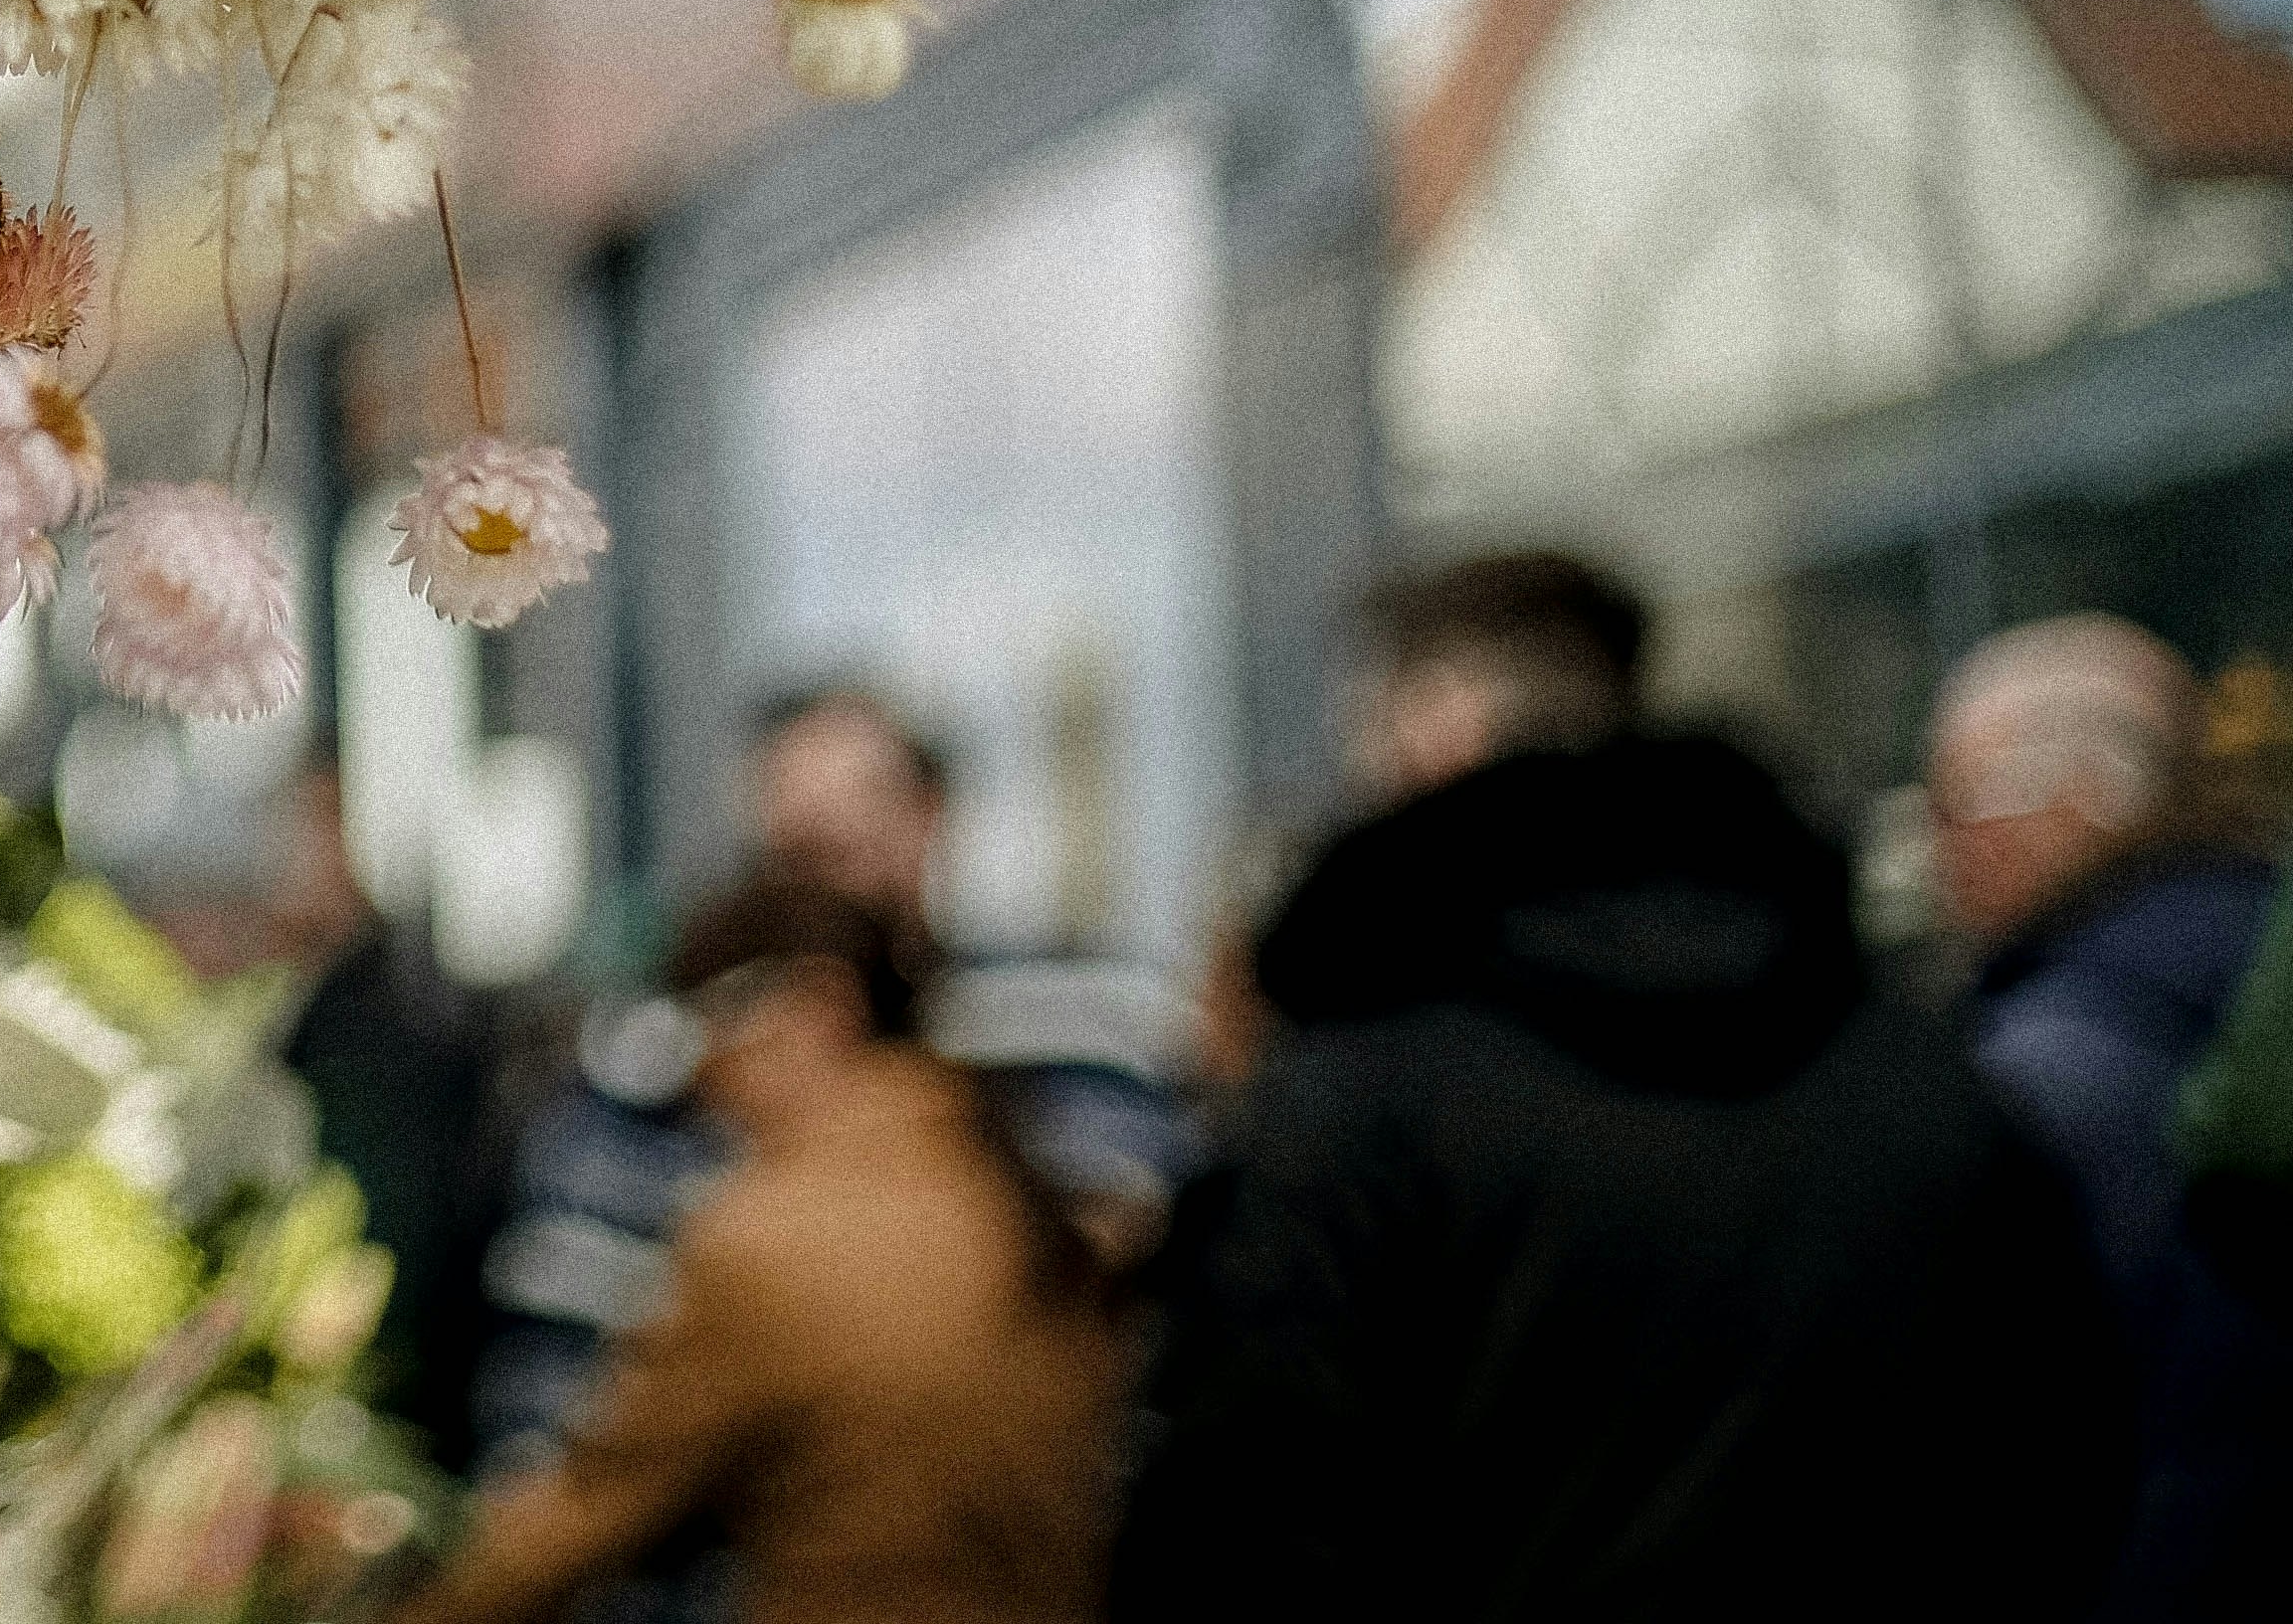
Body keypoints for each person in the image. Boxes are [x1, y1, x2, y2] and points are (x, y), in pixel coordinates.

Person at [1112, 552, 2138, 1621]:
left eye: (1367, 729)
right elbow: (2065, 1473)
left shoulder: (1350, 1108)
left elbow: (1234, 1534)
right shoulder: (1916, 1075)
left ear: (1438, 731)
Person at [472, 689, 1189, 1524]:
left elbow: (1148, 1307)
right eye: (795, 861)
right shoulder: (663, 1065)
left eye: (847, 852)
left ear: (930, 821)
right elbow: (556, 1376)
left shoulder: (1086, 1027)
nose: (829, 902)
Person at [412, 881, 1120, 1624]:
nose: (705, 1089)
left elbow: (592, 1512)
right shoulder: (1003, 1181)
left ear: (821, 1010)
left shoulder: (771, 1237)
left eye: (715, 1038)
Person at [1929, 617, 2292, 1617]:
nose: (1937, 857)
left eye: (1958, 805)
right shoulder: (2263, 978)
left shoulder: (2042, 1075)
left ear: (2079, 797)